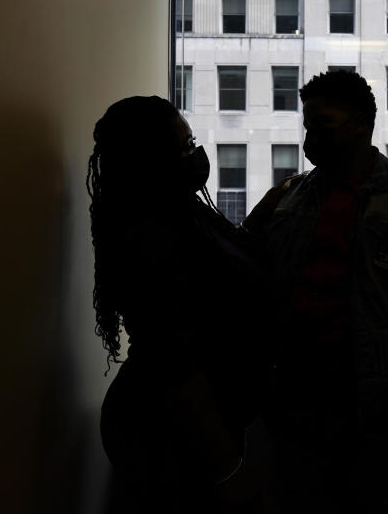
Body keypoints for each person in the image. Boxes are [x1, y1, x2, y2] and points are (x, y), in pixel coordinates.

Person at [246, 70, 388, 514]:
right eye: (307, 125)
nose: (311, 138)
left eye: (323, 125)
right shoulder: (290, 198)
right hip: (299, 403)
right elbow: (257, 279)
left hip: (384, 411)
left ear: (361, 125)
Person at [87, 96, 275, 513]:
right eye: (185, 147)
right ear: (151, 158)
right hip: (167, 434)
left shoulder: (179, 210)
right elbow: (176, 364)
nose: (197, 155)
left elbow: (224, 259)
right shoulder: (149, 236)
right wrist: (227, 470)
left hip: (193, 428)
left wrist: (266, 211)